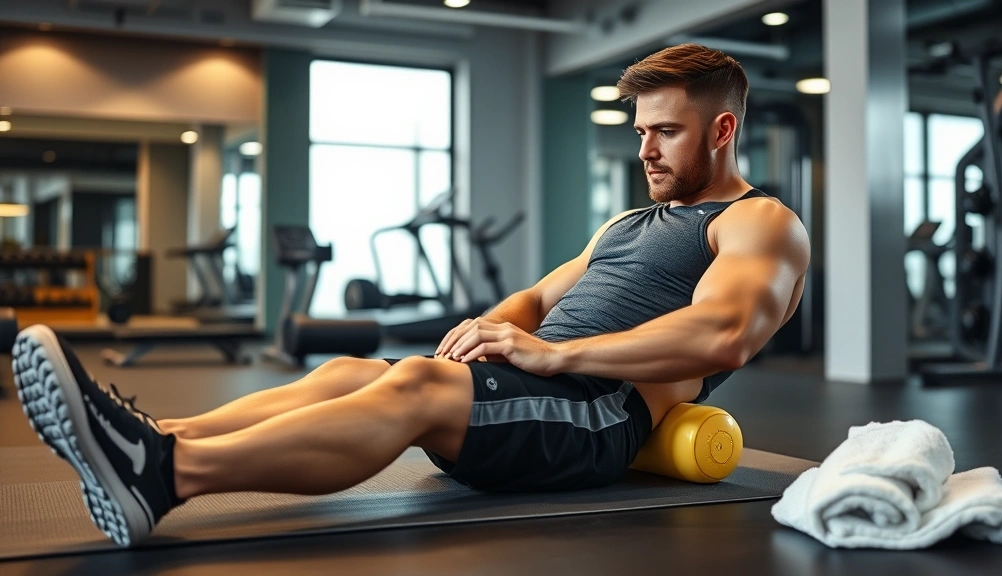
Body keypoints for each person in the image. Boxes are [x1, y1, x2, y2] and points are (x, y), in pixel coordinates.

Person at [12, 43, 810, 547]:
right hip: (540, 386)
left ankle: (165, 475)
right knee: (355, 372)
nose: (644, 148)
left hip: (598, 413)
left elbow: (724, 331)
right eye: (638, 130)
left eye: (663, 132)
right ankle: (147, 432)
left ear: (722, 131)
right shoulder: (631, 222)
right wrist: (485, 329)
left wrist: (554, 351)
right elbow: (535, 297)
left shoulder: (759, 222)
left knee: (413, 384)